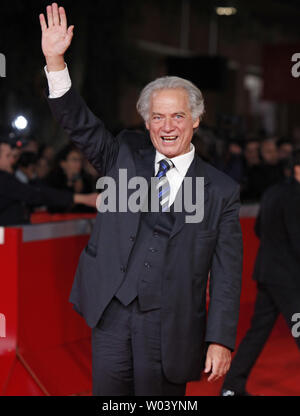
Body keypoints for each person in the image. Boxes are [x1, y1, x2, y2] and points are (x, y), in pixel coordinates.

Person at [40, 3, 243, 396]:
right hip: (111, 314)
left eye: (178, 117)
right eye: (157, 117)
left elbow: (227, 276)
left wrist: (221, 338)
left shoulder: (221, 191)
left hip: (171, 326)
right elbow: (79, 125)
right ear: (146, 120)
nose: (167, 127)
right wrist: (54, 60)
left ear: (196, 120)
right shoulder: (122, 154)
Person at [221, 150, 300, 396]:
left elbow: (258, 229)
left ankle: (231, 388)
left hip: (267, 273)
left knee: (257, 332)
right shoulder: (296, 197)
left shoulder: (272, 191)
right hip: (287, 278)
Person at [0, 139, 97, 226]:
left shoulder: (85, 180)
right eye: (8, 156)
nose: (13, 160)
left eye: (15, 156)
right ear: (62, 163)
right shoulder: (4, 179)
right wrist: (81, 198)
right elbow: (35, 194)